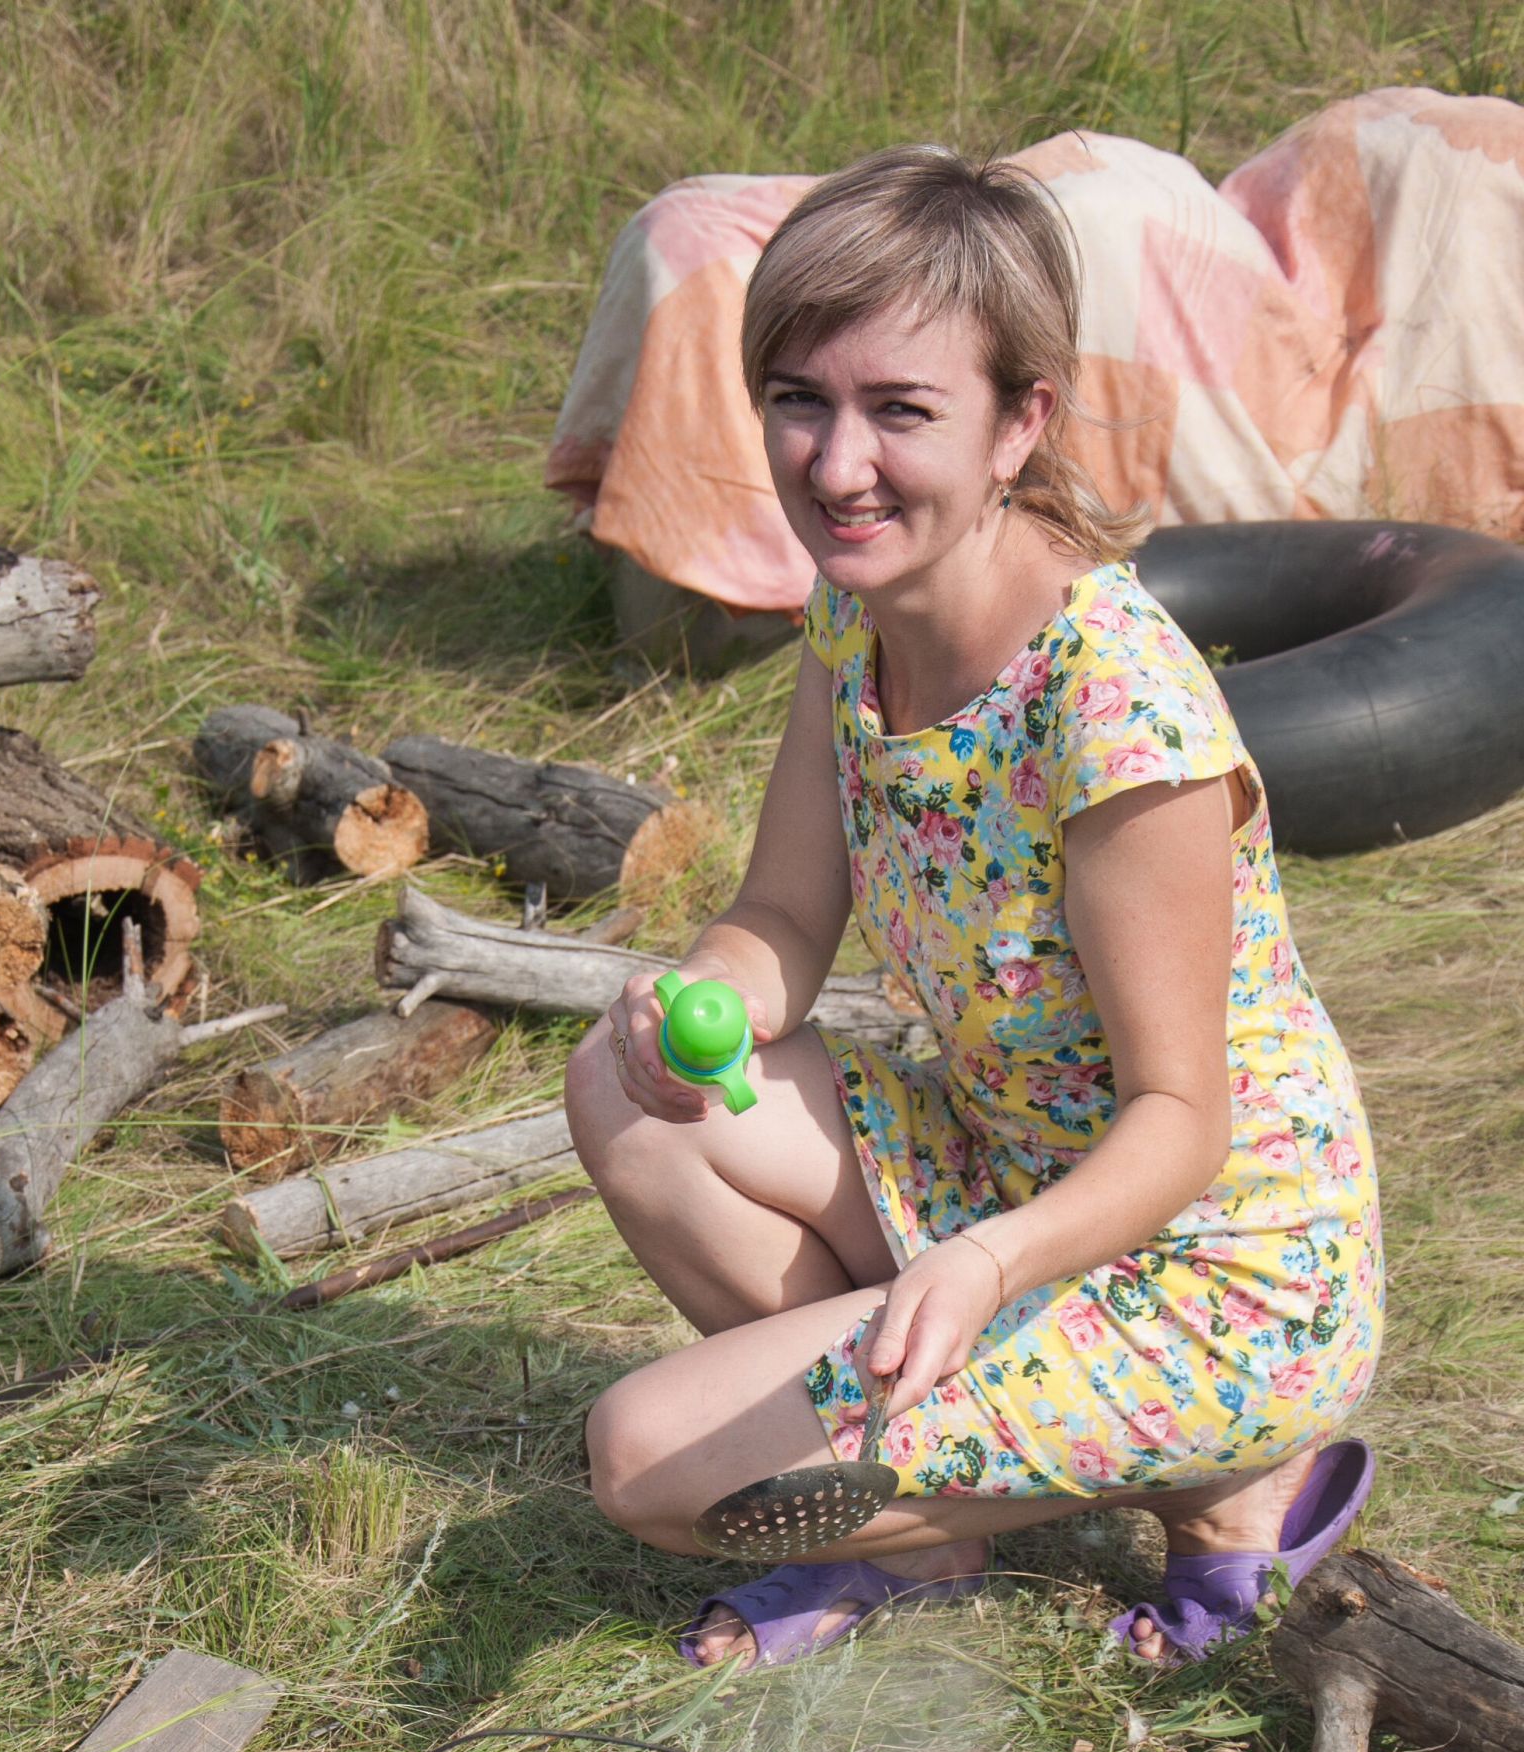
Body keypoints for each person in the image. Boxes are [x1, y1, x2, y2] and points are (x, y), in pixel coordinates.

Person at [566, 146, 1381, 1671]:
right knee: (622, 1087)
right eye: (799, 397)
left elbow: (1180, 1120)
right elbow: (785, 916)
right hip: (1011, 1171)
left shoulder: (1117, 713)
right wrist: (715, 1005)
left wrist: (990, 1264)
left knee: (645, 1458)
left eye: (901, 409)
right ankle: (918, 1525)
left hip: (1209, 1267)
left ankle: (1226, 1485)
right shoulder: (853, 607)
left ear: (1024, 423)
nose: (835, 461)